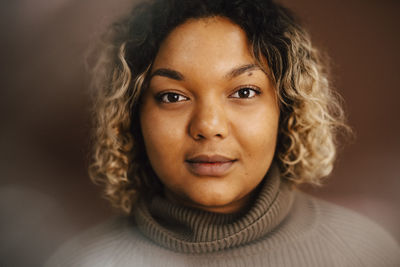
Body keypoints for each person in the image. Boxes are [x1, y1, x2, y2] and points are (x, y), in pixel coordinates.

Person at [46, 0, 400, 266]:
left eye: (244, 92)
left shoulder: (364, 251)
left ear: (287, 108)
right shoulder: (84, 260)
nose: (209, 126)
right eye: (173, 96)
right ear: (131, 116)